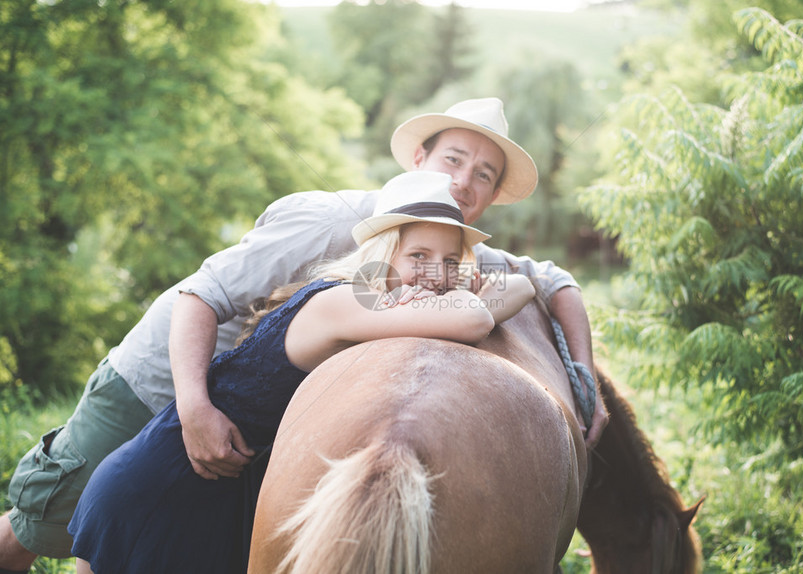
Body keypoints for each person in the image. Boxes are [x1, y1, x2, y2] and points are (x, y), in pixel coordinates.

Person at [0, 97, 607, 573]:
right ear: (418, 159)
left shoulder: (428, 259)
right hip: (161, 386)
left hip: (240, 452)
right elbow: (198, 295)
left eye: (484, 175)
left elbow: (543, 276)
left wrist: (582, 379)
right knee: (35, 528)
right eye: (454, 160)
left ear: (489, 201)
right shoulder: (336, 239)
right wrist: (194, 408)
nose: (464, 182)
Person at [67, 171, 538, 574]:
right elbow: (475, 319)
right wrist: (463, 294)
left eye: (450, 261)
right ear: (383, 254)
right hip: (166, 479)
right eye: (418, 256)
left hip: (227, 487)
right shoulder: (345, 299)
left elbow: (519, 284)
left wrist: (456, 286)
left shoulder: (388, 304)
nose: (435, 274)